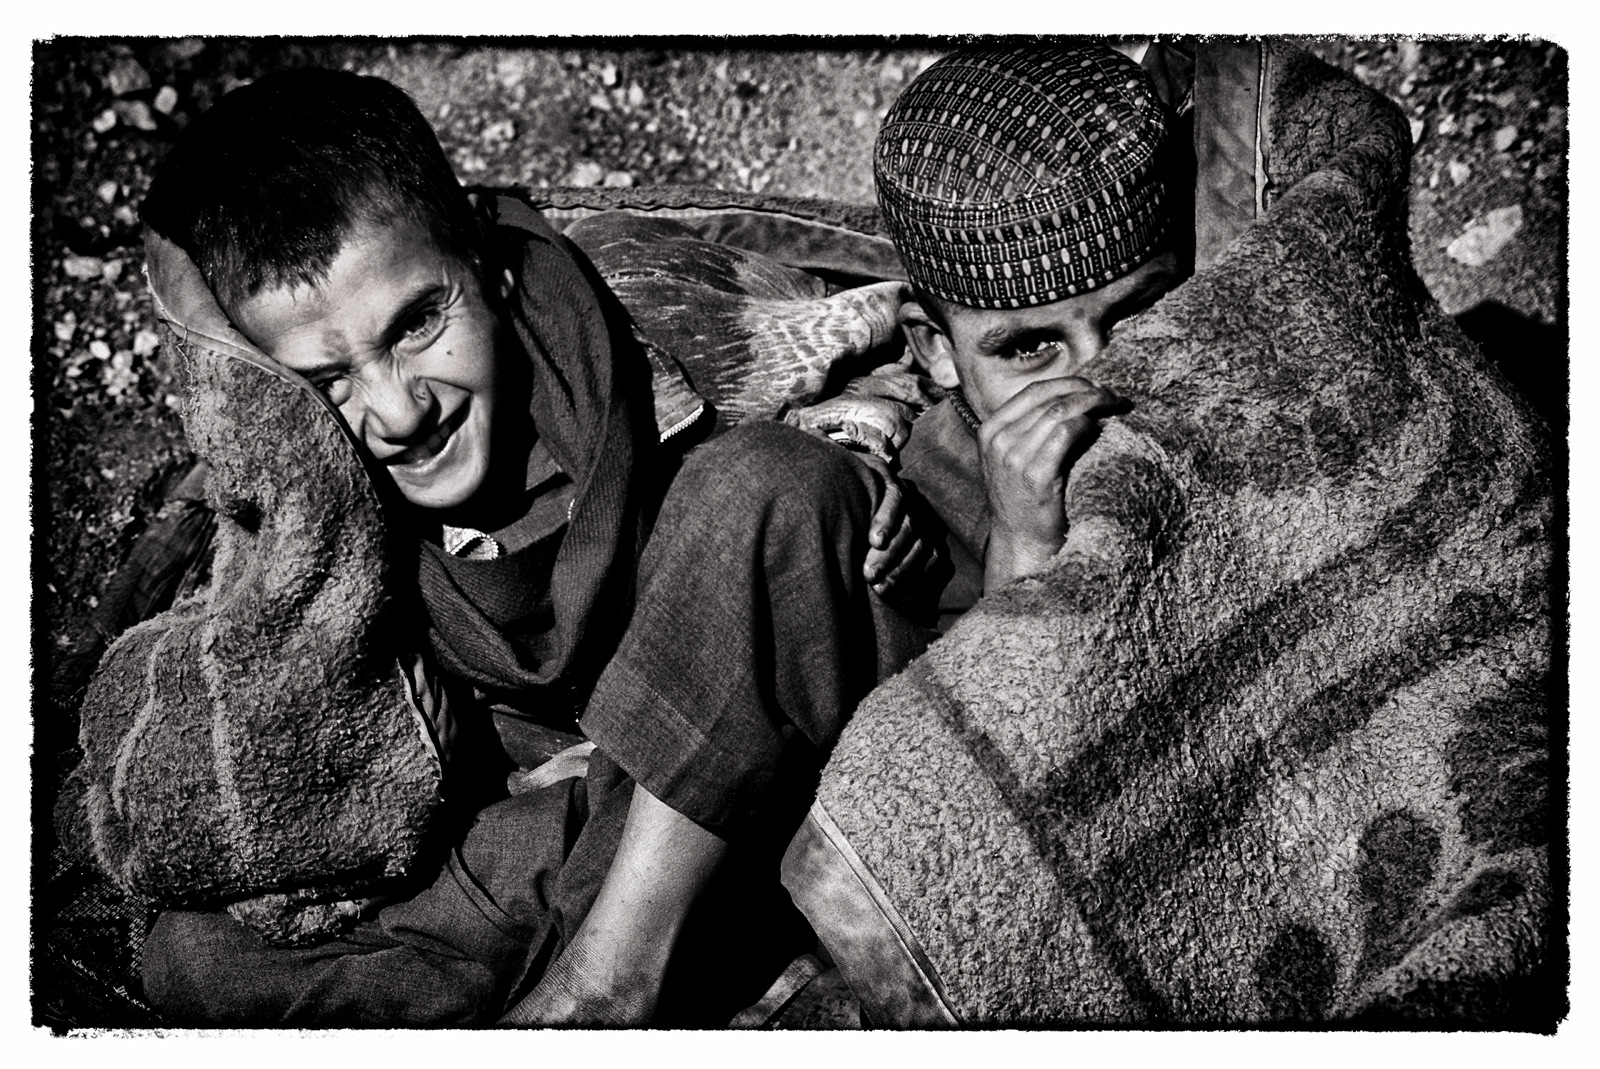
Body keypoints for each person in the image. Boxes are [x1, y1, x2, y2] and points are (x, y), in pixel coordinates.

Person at [133, 67, 934, 1027]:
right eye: (326, 379)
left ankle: (609, 990)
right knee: (193, 958)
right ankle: (683, 953)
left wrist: (858, 452)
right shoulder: (314, 494)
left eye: (419, 323)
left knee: (761, 483)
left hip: (785, 751)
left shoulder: (638, 318)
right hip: (590, 818)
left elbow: (873, 343)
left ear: (487, 259)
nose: (398, 410)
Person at [875, 43, 1192, 631]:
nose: (1100, 376)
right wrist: (1023, 551)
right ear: (937, 349)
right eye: (1028, 348)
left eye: (1140, 312)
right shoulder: (917, 529)